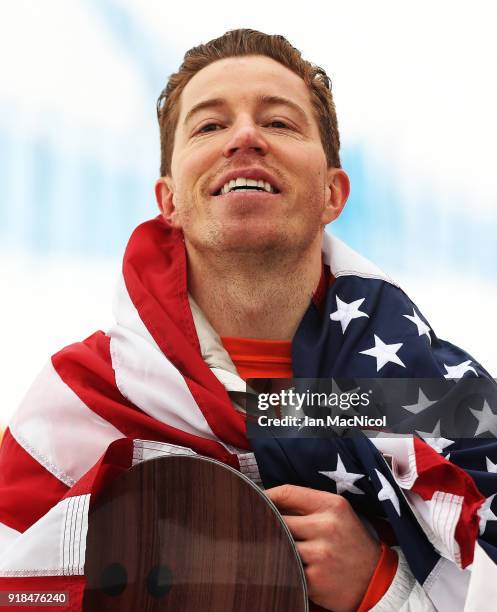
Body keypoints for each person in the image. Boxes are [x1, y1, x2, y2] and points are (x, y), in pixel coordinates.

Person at [0, 28, 496, 611]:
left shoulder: (441, 398)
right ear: (169, 202)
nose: (244, 137)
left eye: (280, 122)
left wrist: (385, 589)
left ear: (333, 194)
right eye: (209, 125)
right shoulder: (84, 397)